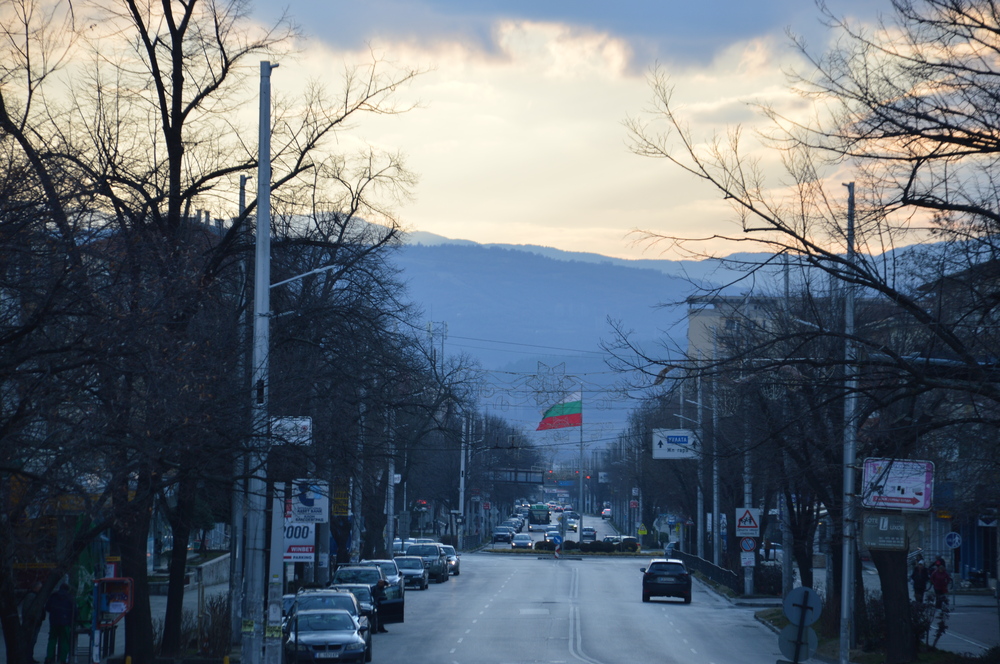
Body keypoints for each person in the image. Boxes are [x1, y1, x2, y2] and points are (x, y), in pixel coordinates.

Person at [44, 582, 74, 664]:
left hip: (54, 622)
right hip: (65, 622)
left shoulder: (53, 596)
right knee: (65, 641)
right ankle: (63, 660)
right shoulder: (70, 598)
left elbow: (47, 607)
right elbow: (75, 611)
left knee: (52, 640)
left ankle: (49, 658)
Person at [21, 581, 42, 663]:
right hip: (32, 623)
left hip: (34, 622)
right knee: (30, 641)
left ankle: (29, 657)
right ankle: (28, 658)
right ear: (36, 588)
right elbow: (28, 610)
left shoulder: (33, 596)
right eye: (40, 588)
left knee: (32, 641)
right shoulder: (31, 596)